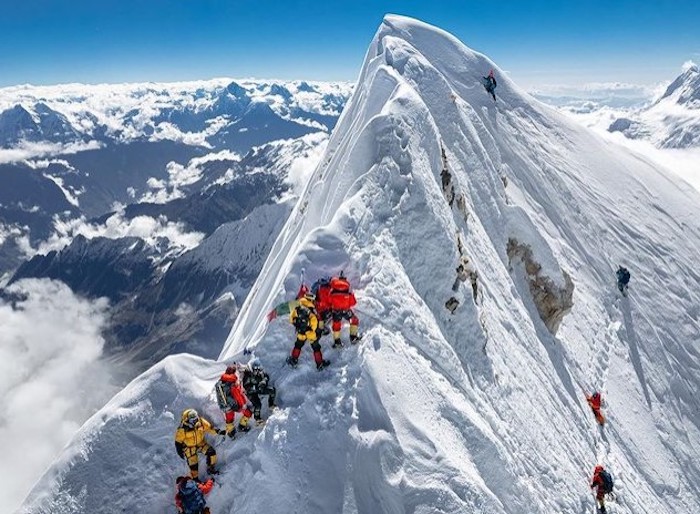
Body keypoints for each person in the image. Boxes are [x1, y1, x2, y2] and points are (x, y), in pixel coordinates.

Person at [175, 409, 225, 480]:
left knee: (211, 452)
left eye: (196, 419)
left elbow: (209, 428)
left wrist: (218, 431)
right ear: (188, 420)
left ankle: (210, 468)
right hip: (189, 448)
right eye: (193, 420)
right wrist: (179, 451)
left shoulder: (201, 422)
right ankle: (195, 480)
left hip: (200, 443)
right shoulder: (182, 429)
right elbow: (178, 442)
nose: (196, 421)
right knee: (193, 464)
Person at [287, 292, 330, 370]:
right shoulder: (311, 310)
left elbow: (291, 319)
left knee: (298, 345)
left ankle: (294, 359)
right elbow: (314, 321)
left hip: (301, 331)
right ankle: (319, 364)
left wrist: (297, 325)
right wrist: (313, 330)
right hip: (310, 333)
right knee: (316, 347)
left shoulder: (297, 307)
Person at [215, 366, 253, 438]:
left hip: (225, 405)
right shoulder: (232, 382)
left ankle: (231, 432)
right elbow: (238, 395)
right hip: (234, 405)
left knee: (229, 419)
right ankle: (242, 426)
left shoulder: (220, 382)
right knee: (248, 413)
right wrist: (243, 404)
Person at [328, 271, 360, 348]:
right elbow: (353, 302)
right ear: (345, 279)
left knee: (336, 324)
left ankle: (337, 341)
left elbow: (329, 300)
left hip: (336, 311)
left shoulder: (333, 289)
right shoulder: (348, 289)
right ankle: (353, 337)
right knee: (354, 320)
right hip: (346, 310)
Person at [242, 360, 277, 425]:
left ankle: (271, 404)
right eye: (255, 370)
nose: (257, 371)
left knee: (272, 390)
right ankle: (257, 419)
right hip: (251, 393)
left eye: (258, 369)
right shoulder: (248, 375)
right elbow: (246, 387)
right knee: (258, 405)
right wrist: (255, 387)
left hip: (260, 388)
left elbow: (266, 377)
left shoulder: (260, 373)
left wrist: (264, 382)